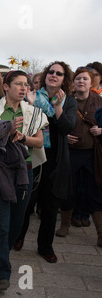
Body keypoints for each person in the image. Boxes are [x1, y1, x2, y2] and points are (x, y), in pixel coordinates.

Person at [0, 70, 48, 291]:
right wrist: (5, 132)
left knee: (17, 223)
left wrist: (22, 137)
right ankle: (1, 272)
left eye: (26, 85)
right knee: (0, 224)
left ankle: (3, 253)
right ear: (6, 86)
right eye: (18, 84)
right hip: (0, 172)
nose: (23, 88)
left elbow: (39, 142)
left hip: (24, 172)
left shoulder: (32, 112)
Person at [31, 61, 77, 262]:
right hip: (33, 154)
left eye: (59, 73)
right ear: (45, 74)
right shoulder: (33, 96)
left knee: (50, 208)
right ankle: (18, 237)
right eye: (51, 71)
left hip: (55, 160)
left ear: (64, 79)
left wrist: (57, 107)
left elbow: (67, 127)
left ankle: (45, 247)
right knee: (27, 202)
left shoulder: (69, 101)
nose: (54, 75)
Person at [57, 67, 102, 246]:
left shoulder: (99, 101)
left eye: (85, 79)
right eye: (78, 79)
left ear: (91, 83)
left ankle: (100, 233)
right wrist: (64, 135)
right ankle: (65, 225)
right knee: (69, 189)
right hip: (71, 153)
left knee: (96, 192)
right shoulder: (67, 101)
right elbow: (56, 122)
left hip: (94, 154)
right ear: (73, 82)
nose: (81, 82)